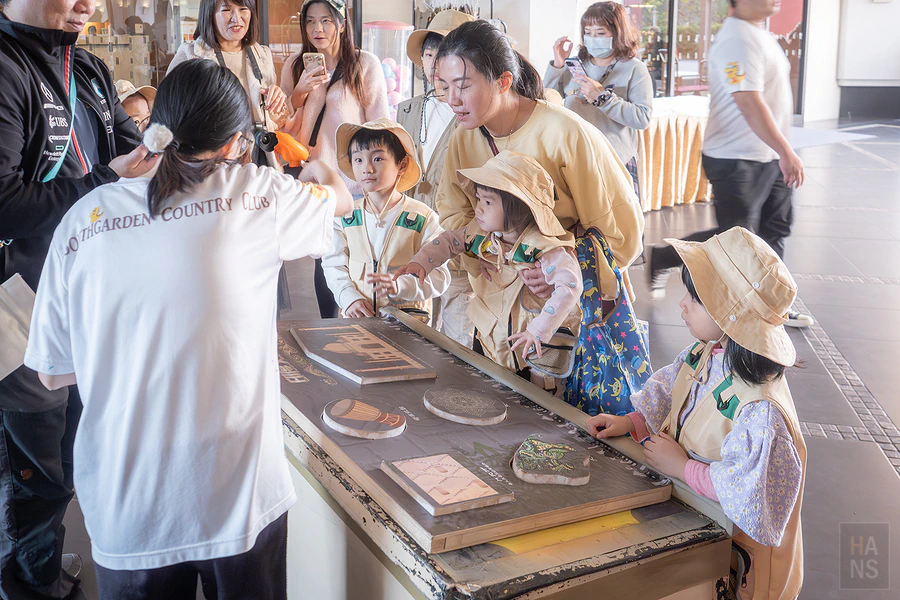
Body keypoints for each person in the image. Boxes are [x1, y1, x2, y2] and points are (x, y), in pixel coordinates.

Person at [24, 59, 352, 598]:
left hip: (129, 506)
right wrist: (319, 169)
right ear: (234, 143)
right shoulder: (259, 195)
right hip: (239, 497)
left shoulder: (85, 219)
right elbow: (340, 199)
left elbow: (56, 374)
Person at [0, 0, 155, 596]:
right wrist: (105, 181)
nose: (87, 3)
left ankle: (41, 565)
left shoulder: (85, 68)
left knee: (70, 455)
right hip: (21, 307)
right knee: (35, 472)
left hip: (89, 304)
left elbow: (130, 143)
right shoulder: (7, 67)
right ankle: (31, 583)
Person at [432, 20, 645, 408]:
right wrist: (499, 253)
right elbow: (452, 212)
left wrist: (555, 269)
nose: (452, 98)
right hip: (493, 315)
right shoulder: (465, 134)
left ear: (502, 81)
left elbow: (618, 235)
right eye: (443, 87)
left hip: (560, 319)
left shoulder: (565, 133)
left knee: (551, 427)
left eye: (463, 85)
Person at [587, 227, 806, 600]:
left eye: (695, 297)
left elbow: (745, 493)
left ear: (731, 314)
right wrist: (632, 422)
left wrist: (681, 468)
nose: (682, 304)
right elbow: (674, 393)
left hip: (731, 561)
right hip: (694, 523)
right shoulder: (708, 350)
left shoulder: (763, 414)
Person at [646, 0, 813, 328]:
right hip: (736, 157)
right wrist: (785, 151)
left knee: (773, 230)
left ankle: (770, 303)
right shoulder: (737, 39)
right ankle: (664, 256)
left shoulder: (761, 34)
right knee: (737, 239)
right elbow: (748, 101)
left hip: (767, 154)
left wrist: (781, 151)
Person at [396, 151, 582, 377]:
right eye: (479, 199)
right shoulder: (481, 234)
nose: (479, 208)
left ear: (518, 207)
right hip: (489, 338)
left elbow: (570, 286)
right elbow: (449, 241)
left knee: (535, 396)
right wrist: (422, 262)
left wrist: (538, 330)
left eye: (488, 202)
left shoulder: (545, 249)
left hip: (531, 347)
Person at [280, 0, 390, 318]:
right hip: (313, 182)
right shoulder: (295, 65)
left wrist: (378, 180)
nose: (317, 29)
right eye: (311, 21)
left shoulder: (364, 65)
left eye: (326, 21)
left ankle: (365, 333)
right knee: (325, 259)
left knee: (357, 259)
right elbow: (281, 125)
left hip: (355, 184)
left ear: (342, 23)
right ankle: (331, 328)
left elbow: (380, 125)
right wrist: (299, 92)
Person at [397, 8, 475, 346]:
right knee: (414, 333)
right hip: (415, 237)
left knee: (457, 340)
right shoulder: (407, 109)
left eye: (443, 53)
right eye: (429, 54)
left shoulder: (473, 113)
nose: (434, 63)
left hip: (457, 238)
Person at [323, 118, 450, 321]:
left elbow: (440, 276)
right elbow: (332, 263)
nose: (367, 169)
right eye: (358, 160)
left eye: (378, 159)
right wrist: (348, 297)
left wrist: (400, 286)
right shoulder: (344, 216)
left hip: (409, 327)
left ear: (402, 164)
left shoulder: (422, 218)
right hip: (357, 322)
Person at [544, 1, 652, 197]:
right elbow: (548, 104)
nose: (593, 38)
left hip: (616, 160)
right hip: (575, 159)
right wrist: (558, 65)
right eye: (588, 32)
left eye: (600, 33)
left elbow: (642, 118)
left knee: (621, 224)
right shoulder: (575, 66)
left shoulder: (634, 68)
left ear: (618, 33)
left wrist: (603, 99)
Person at [168, 0, 288, 169]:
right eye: (226, 10)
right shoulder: (190, 55)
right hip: (211, 165)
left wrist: (276, 103)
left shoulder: (262, 55)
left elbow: (276, 121)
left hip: (260, 161)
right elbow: (168, 116)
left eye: (243, 9)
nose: (236, 18)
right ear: (210, 14)